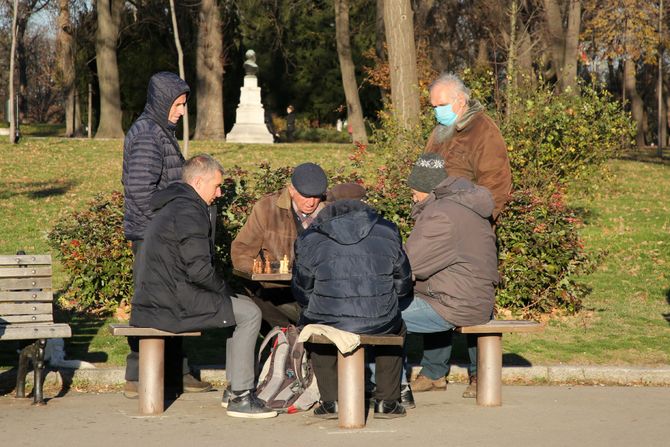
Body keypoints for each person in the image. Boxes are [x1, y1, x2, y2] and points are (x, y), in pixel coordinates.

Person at [130, 154, 277, 419]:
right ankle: (241, 397)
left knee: (241, 309)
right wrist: (223, 291)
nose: (219, 193)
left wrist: (224, 294)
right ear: (198, 182)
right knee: (250, 313)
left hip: (159, 297)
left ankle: (235, 390)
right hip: (170, 301)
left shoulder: (174, 205)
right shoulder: (189, 211)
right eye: (216, 186)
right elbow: (198, 269)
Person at [419, 72, 513, 397]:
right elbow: (423, 178)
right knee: (432, 292)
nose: (436, 111)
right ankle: (433, 372)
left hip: (470, 234)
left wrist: (482, 228)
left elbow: (497, 185)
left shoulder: (485, 131)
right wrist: (419, 204)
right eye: (433, 106)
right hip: (435, 231)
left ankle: (479, 376)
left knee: (474, 300)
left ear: (460, 101)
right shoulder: (439, 132)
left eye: (441, 105)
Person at [121, 71, 211, 398]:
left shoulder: (160, 132)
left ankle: (176, 372)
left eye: (184, 104)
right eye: (179, 103)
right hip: (152, 236)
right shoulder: (147, 135)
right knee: (150, 302)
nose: (182, 110)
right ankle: (137, 376)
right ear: (162, 101)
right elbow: (141, 193)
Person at [292, 198, 413, 419]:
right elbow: (403, 283)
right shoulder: (388, 230)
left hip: (327, 320)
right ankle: (387, 401)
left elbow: (302, 289)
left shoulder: (310, 237)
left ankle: (331, 401)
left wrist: (317, 307)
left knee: (314, 326)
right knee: (396, 327)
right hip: (381, 318)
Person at [402, 153, 499, 398]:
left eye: (414, 191)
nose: (412, 197)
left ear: (426, 189)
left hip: (457, 303)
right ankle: (434, 374)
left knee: (378, 316)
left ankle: (388, 387)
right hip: (470, 296)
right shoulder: (460, 205)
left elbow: (410, 264)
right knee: (424, 294)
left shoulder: (440, 215)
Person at [231, 162, 328, 329]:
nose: (312, 202)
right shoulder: (267, 209)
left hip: (317, 292)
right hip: (276, 290)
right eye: (305, 195)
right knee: (258, 297)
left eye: (317, 196)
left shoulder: (331, 213)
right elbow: (241, 251)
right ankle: (283, 342)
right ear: (292, 190)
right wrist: (262, 272)